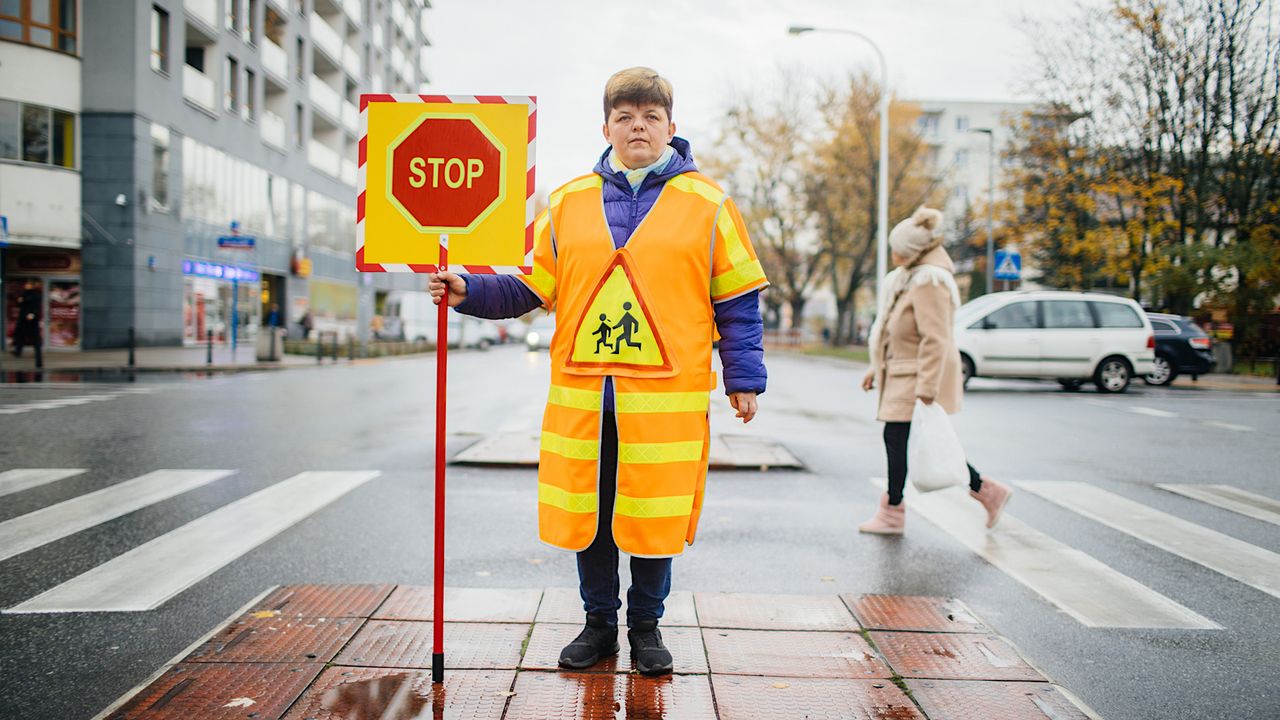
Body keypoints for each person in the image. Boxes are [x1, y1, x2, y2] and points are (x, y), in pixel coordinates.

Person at [427, 67, 768, 676]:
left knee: (651, 518)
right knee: (593, 517)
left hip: (665, 400)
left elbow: (737, 300)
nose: (638, 126)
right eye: (625, 116)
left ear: (670, 126)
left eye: (650, 117)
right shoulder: (566, 202)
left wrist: (743, 378)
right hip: (586, 401)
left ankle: (647, 630)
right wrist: (468, 290)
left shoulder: (709, 204)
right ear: (606, 126)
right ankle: (598, 626)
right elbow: (530, 286)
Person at [859, 207, 1011, 534]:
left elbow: (935, 337)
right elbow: (891, 329)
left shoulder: (930, 281)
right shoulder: (908, 278)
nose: (893, 253)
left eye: (898, 248)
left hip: (917, 374)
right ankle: (985, 491)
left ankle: (894, 512)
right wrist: (876, 367)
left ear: (913, 252)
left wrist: (927, 388)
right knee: (899, 438)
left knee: (897, 438)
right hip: (901, 370)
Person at [11, 280, 42, 360]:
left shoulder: (35, 295)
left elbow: (36, 306)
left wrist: (32, 314)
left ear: (32, 286)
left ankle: (38, 353)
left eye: (28, 284)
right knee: (20, 336)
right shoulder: (23, 294)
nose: (26, 286)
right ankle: (18, 352)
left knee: (35, 337)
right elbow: (21, 306)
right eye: (26, 284)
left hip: (32, 319)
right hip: (23, 319)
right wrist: (20, 301)